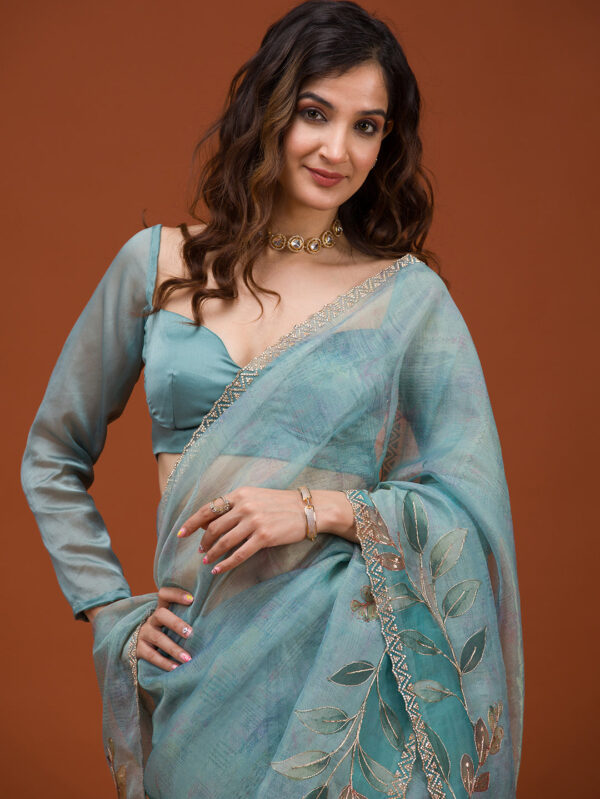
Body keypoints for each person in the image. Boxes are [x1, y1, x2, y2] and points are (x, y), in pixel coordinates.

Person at [20, 1, 523, 797]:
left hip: (340, 670)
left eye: (367, 126)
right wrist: (109, 607)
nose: (337, 149)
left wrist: (318, 509)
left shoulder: (405, 300)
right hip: (198, 667)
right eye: (316, 113)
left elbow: (469, 503)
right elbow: (51, 453)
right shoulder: (157, 265)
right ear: (269, 110)